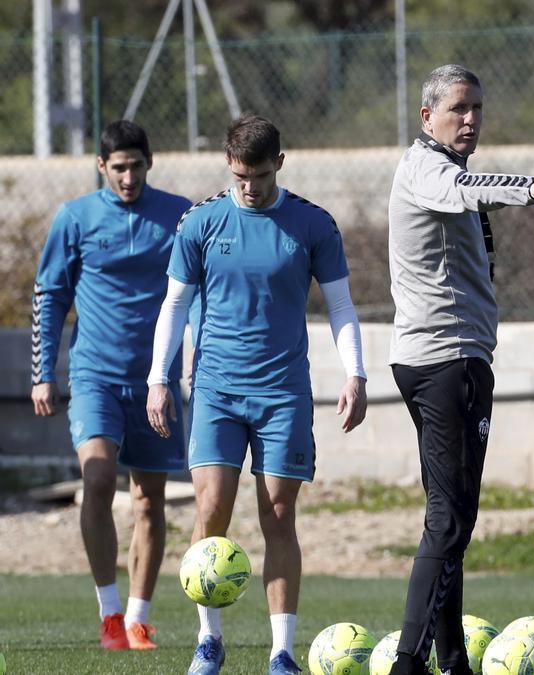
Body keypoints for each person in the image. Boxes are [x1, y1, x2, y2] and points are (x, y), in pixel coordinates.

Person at [146, 114, 369, 675]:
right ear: (229, 164)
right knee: (211, 507)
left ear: (280, 165)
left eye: (262, 175)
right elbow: (173, 306)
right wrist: (158, 378)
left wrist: (356, 373)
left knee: (277, 514)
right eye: (242, 175)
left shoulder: (312, 224)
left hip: (283, 393)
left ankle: (282, 652)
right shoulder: (200, 222)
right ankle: (209, 639)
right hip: (217, 389)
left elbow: (340, 306)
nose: (251, 186)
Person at [384, 64, 534, 675]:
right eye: (457, 109)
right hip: (447, 361)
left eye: (476, 109)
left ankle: (453, 660)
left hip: (443, 359)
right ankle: (408, 664)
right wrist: (532, 187)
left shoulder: (442, 170)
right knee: (448, 520)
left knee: (453, 519)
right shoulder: (428, 169)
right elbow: (462, 191)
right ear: (427, 117)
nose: (470, 120)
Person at [31, 120, 192, 652]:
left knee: (149, 502)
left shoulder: (178, 215)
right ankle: (109, 615)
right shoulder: (75, 218)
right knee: (98, 480)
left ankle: (139, 620)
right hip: (94, 375)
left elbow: (202, 290)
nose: (128, 176)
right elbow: (50, 295)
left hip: (157, 382)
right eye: (118, 167)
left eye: (136, 165)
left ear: (151, 163)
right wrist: (42, 373)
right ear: (103, 166)